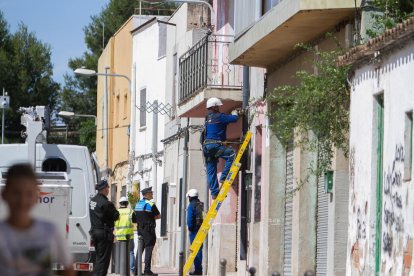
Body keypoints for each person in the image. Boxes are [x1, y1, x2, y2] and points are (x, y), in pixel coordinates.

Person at [0, 163, 74, 276]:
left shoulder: (50, 231)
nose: (22, 200)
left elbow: (68, 268)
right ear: (4, 194)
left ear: (36, 196)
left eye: (29, 194)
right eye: (16, 193)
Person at [202, 97, 240, 199]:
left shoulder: (207, 119)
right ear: (214, 107)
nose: (219, 108)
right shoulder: (220, 117)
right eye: (218, 106)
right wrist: (235, 112)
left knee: (211, 171)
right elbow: (234, 119)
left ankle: (214, 193)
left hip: (207, 148)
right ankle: (224, 177)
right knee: (231, 154)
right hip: (215, 145)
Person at [89, 179, 119, 276]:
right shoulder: (106, 203)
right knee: (104, 261)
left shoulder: (92, 201)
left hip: (95, 232)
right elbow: (115, 216)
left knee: (99, 258)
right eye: (107, 188)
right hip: (104, 234)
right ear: (104, 189)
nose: (108, 190)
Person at [134, 187, 161, 275]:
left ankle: (136, 270)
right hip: (149, 231)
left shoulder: (137, 204)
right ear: (147, 194)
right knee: (148, 249)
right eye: (151, 193)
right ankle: (147, 271)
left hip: (140, 230)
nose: (152, 194)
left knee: (140, 249)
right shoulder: (150, 204)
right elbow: (158, 216)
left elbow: (134, 219)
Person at [115, 196, 137, 274]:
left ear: (120, 204)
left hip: (120, 236)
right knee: (131, 252)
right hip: (129, 235)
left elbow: (114, 222)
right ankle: (131, 270)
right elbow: (135, 221)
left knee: (120, 253)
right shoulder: (130, 211)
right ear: (127, 204)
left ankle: (120, 270)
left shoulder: (117, 212)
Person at [186, 189, 204, 275]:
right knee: (200, 249)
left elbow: (189, 219)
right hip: (201, 229)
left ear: (190, 197)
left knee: (195, 250)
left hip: (194, 231)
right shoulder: (201, 204)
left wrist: (190, 228)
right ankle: (199, 269)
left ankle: (198, 270)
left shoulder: (191, 206)